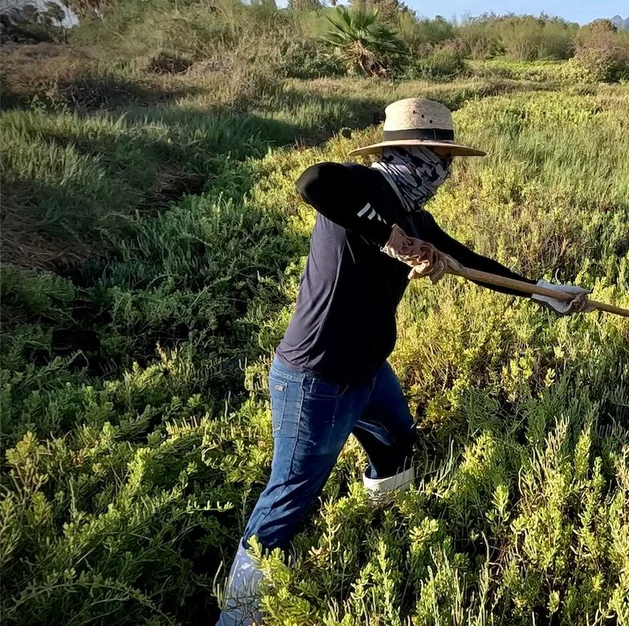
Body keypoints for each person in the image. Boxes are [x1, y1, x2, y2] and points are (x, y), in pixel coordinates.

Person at [217, 98, 590, 625]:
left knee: (396, 440)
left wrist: (543, 292)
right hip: (316, 377)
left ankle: (384, 518)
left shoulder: (416, 215)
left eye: (449, 161)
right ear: (414, 153)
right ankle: (239, 612)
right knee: (290, 497)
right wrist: (389, 237)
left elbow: (474, 264)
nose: (445, 172)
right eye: (441, 158)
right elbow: (313, 181)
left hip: (369, 373)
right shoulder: (359, 188)